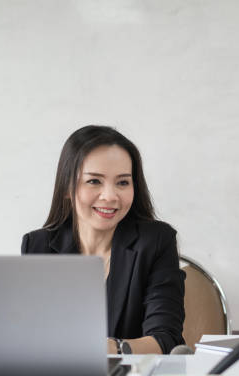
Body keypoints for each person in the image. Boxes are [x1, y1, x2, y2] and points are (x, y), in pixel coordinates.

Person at [21, 125, 185, 355]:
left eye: (123, 182)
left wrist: (111, 348)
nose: (110, 196)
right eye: (94, 181)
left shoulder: (156, 241)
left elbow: (166, 339)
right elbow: (32, 337)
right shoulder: (38, 246)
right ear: (67, 187)